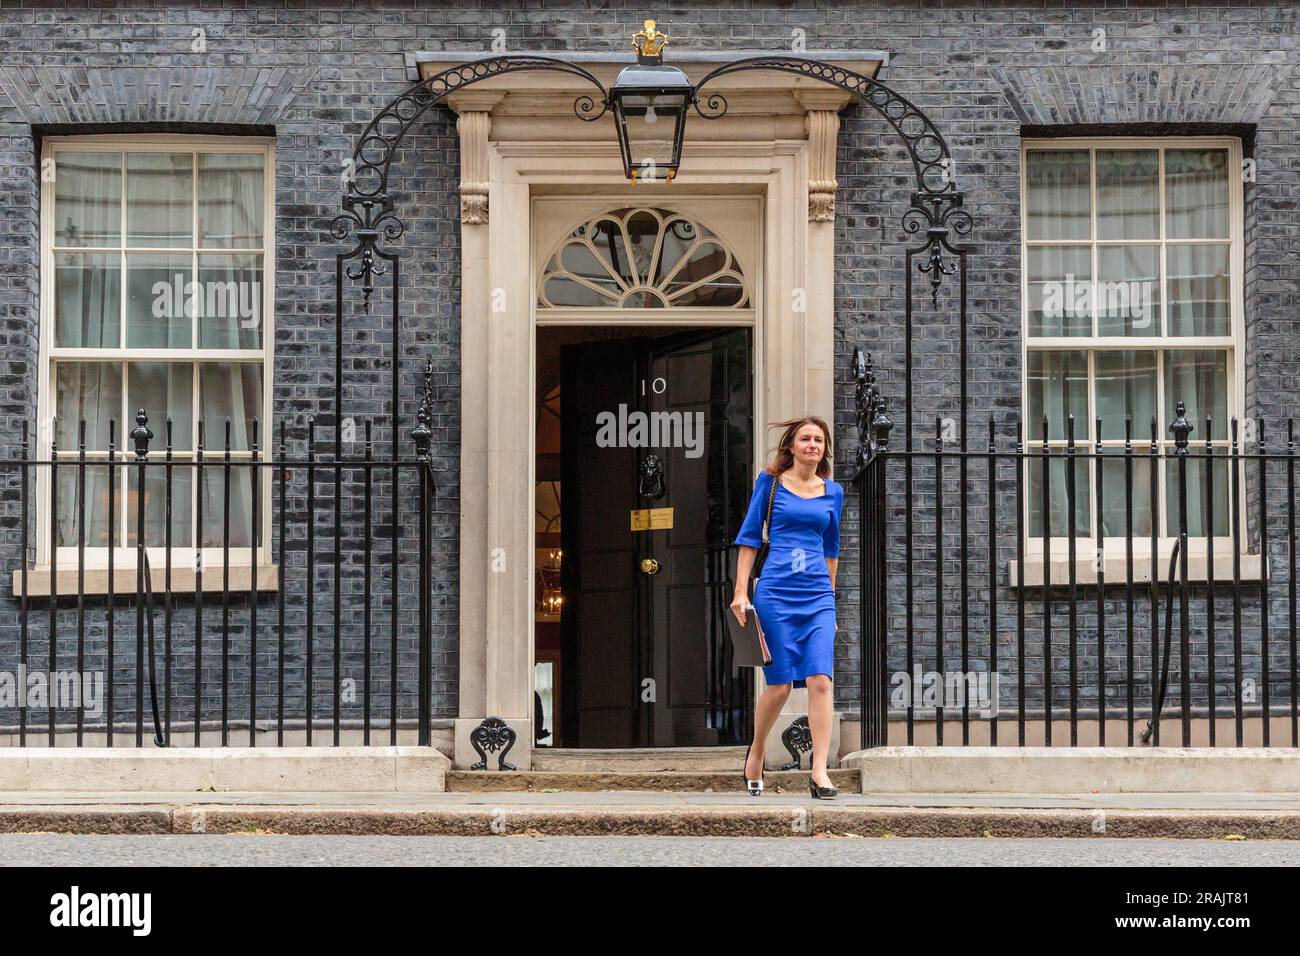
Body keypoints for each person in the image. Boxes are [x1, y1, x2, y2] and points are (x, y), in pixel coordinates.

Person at [730, 416, 844, 799]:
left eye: (818, 439)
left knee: (820, 680)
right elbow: (749, 538)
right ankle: (758, 749)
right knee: (778, 686)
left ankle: (820, 770)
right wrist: (740, 592)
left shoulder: (833, 492)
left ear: (824, 448)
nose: (812, 444)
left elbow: (832, 550)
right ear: (792, 446)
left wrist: (831, 603)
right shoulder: (772, 484)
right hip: (776, 592)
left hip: (817, 597)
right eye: (805, 439)